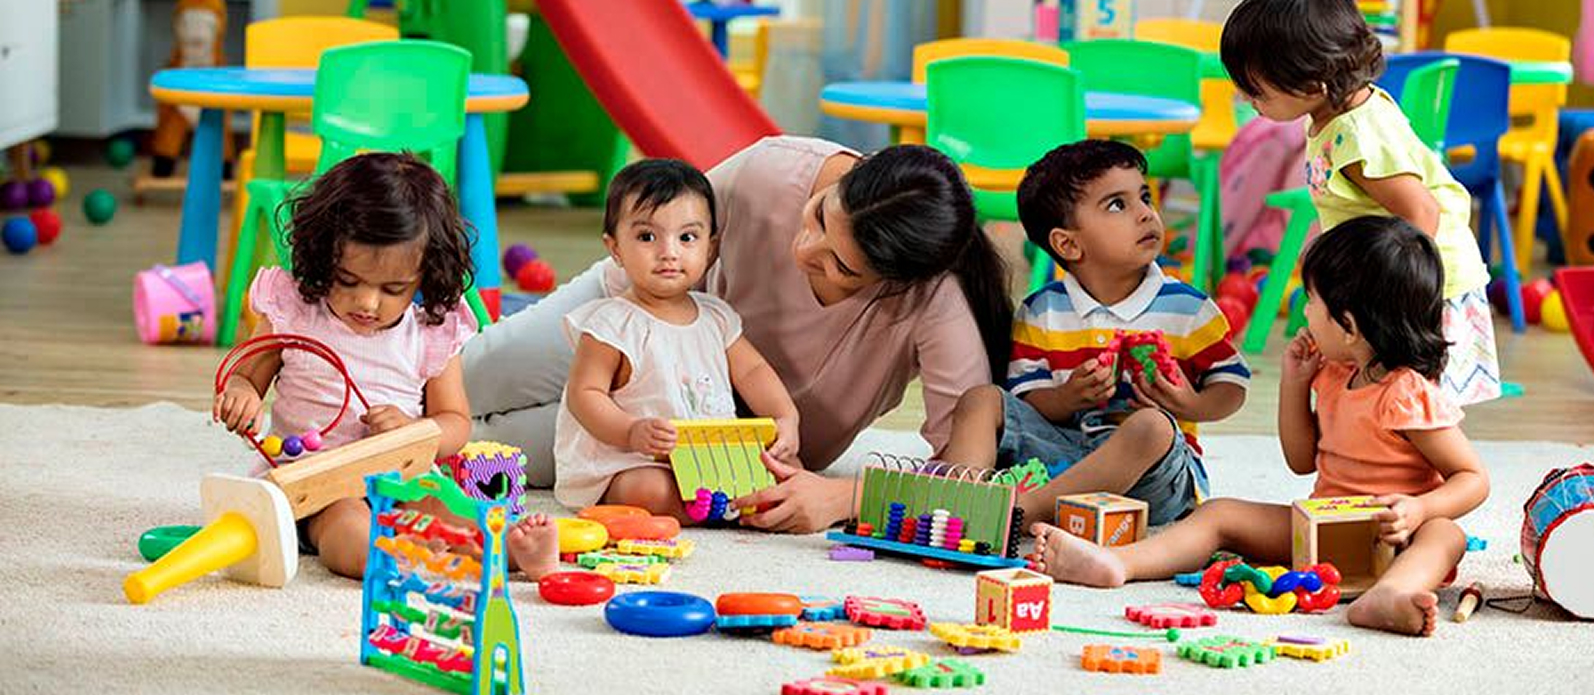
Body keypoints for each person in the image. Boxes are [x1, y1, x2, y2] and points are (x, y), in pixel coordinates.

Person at [466, 137, 1014, 533]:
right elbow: (661, 242)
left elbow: (966, 485)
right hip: (637, 310)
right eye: (820, 216)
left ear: (895, 283)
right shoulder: (771, 173)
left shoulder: (938, 304)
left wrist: (842, 497)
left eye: (842, 268)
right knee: (476, 375)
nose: (805, 251)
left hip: (706, 435)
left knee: (491, 450)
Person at [1030, 216, 1488, 637]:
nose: (1304, 313)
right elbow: (1300, 459)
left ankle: (1391, 593)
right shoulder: (1331, 373)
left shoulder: (1406, 393)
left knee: (1446, 534)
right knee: (1219, 514)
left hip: (1395, 540)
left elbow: (1473, 479)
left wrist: (1420, 510)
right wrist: (1295, 384)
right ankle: (1116, 563)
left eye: (1311, 302)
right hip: (1319, 534)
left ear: (1348, 326)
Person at [213, 152, 558, 580]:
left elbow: (455, 422)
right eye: (348, 280)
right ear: (323, 256)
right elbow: (246, 375)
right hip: (314, 487)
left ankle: (508, 552)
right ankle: (396, 558)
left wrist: (415, 433)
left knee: (451, 510)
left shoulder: (430, 330)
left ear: (424, 275)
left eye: (393, 288)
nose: (367, 302)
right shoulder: (296, 308)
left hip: (403, 474)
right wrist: (241, 394)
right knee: (349, 529)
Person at [1221, 0, 1498, 406]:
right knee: (1378, 406)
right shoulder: (1334, 115)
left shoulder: (1358, 136)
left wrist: (1388, 304)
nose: (1244, 98)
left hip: (1422, 289)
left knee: (1411, 409)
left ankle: (1440, 473)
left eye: (1254, 89)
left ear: (1312, 79)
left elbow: (1421, 214)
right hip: (1397, 282)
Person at [936, 140, 1249, 525]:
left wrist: (1191, 405)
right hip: (1062, 459)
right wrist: (1067, 397)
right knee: (980, 399)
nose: (1146, 214)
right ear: (1068, 243)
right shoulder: (1043, 311)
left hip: (1152, 478)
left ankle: (1022, 510)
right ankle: (955, 507)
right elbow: (1027, 398)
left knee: (1150, 427)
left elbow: (1231, 386)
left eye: (1144, 196)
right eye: (1118, 204)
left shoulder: (1187, 306)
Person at [555, 159, 800, 516]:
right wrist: (630, 432)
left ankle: (724, 501)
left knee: (790, 466)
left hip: (706, 455)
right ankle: (718, 509)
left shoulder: (716, 316)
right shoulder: (611, 323)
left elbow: (753, 372)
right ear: (615, 249)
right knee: (649, 491)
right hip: (631, 459)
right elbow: (584, 395)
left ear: (710, 248)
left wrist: (785, 417)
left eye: (687, 238)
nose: (669, 252)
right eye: (646, 237)